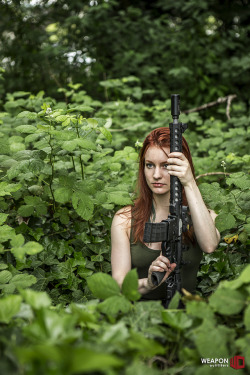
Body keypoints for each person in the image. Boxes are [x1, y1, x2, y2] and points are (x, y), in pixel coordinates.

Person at [111, 127, 220, 303]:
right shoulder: (125, 219)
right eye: (150, 165)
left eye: (166, 166)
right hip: (138, 314)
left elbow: (209, 245)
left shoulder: (204, 216)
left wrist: (189, 182)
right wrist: (148, 282)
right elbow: (118, 284)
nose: (156, 175)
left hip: (186, 315)